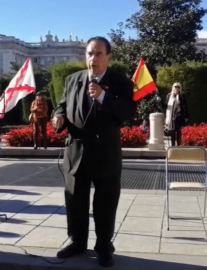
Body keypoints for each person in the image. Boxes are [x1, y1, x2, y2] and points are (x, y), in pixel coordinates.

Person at [52, 36, 135, 267]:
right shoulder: (72, 80)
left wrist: (102, 96)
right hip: (75, 152)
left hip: (105, 153)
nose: (93, 58)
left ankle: (104, 247)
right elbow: (62, 104)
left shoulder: (120, 82)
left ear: (108, 56)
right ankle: (77, 242)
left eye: (99, 54)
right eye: (90, 53)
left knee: (105, 204)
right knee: (75, 202)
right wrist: (58, 116)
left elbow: (128, 112)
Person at [164, 82, 188, 146]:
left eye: (178, 88)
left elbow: (185, 107)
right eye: (175, 87)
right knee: (172, 131)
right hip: (171, 117)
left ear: (180, 89)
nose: (176, 89)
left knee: (178, 130)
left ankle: (178, 145)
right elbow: (165, 105)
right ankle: (172, 145)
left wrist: (186, 117)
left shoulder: (182, 96)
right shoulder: (169, 96)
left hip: (179, 116)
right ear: (173, 88)